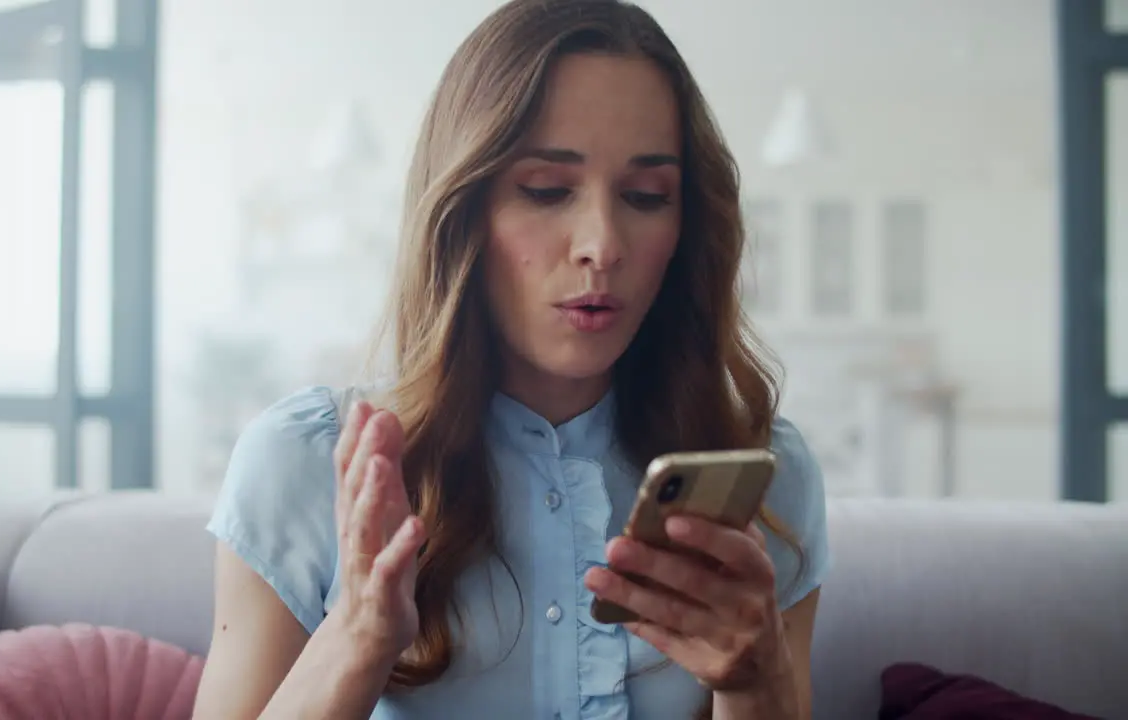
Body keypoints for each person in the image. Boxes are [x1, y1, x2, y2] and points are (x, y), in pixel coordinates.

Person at [193, 0, 831, 718]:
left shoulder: (761, 480)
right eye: (547, 190)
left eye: (647, 196)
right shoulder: (302, 463)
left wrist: (754, 685)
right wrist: (359, 637)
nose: (602, 244)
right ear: (460, 211)